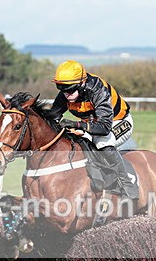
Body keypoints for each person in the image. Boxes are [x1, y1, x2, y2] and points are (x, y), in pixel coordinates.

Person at [47, 60, 139, 200]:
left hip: (118, 122)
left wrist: (77, 125)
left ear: (82, 83)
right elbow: (52, 117)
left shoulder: (98, 91)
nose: (66, 93)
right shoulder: (66, 93)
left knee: (102, 143)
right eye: (61, 88)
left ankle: (128, 185)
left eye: (70, 89)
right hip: (92, 125)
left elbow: (104, 128)